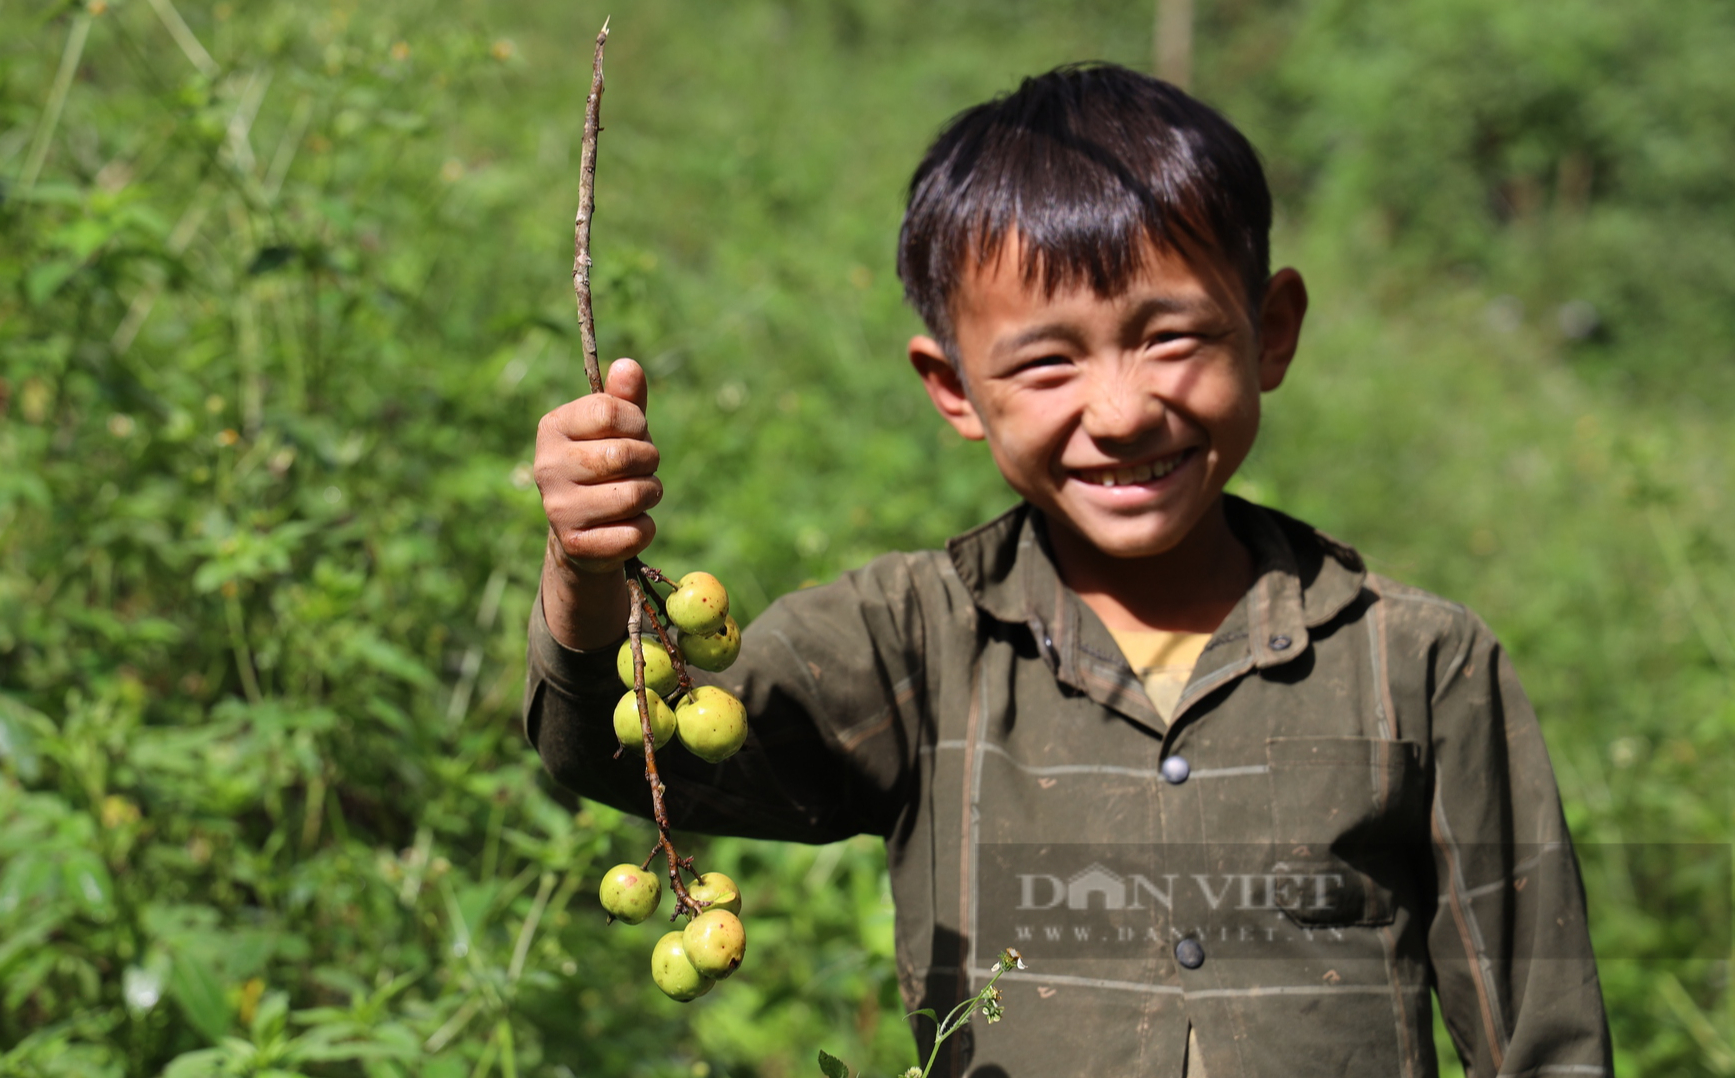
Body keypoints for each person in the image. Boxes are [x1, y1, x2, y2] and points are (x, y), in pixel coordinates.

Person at [524, 63, 1611, 1077]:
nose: (1122, 409)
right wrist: (586, 569)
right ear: (953, 389)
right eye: (1047, 361)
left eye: (1170, 337)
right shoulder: (911, 638)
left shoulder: (1420, 666)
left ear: (1269, 331)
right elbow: (633, 752)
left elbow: (1544, 1039)